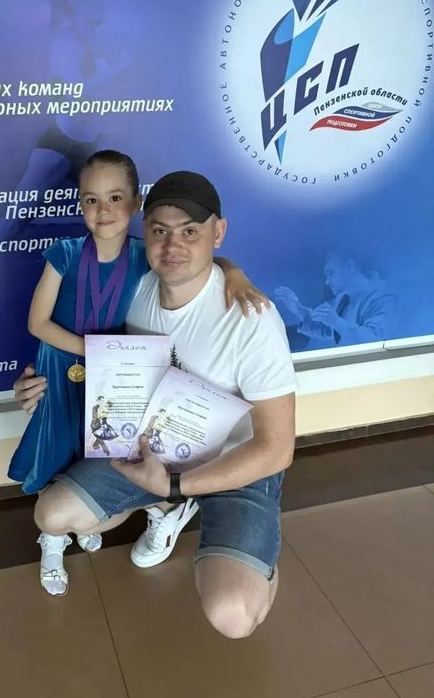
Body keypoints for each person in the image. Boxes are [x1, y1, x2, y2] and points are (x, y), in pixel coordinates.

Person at [17, 170, 296, 637]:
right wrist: (35, 385)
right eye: (160, 230)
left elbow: (277, 449)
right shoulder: (135, 288)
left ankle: (248, 557)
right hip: (151, 450)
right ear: (143, 233)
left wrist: (176, 485)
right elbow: (88, 358)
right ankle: (169, 509)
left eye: (190, 231)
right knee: (53, 515)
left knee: (233, 614)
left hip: (236, 466)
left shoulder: (252, 318)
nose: (173, 246)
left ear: (218, 233)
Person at [274, 254, 398, 348]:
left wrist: (336, 322)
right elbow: (329, 330)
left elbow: (374, 339)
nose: (327, 282)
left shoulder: (385, 297)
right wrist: (298, 309)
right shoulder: (342, 299)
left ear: (349, 265)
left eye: (331, 273)